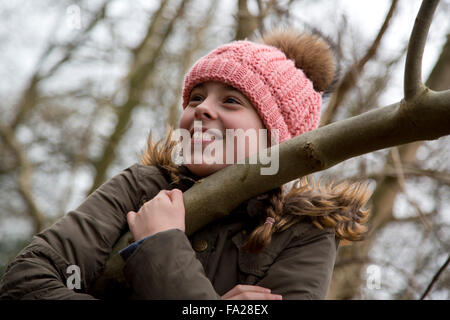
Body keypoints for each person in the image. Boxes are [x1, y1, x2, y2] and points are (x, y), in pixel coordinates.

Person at [0, 28, 371, 300]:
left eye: (231, 101)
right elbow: (25, 283)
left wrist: (162, 246)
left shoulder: (306, 234)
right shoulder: (140, 186)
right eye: (195, 97)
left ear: (275, 139)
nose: (201, 109)